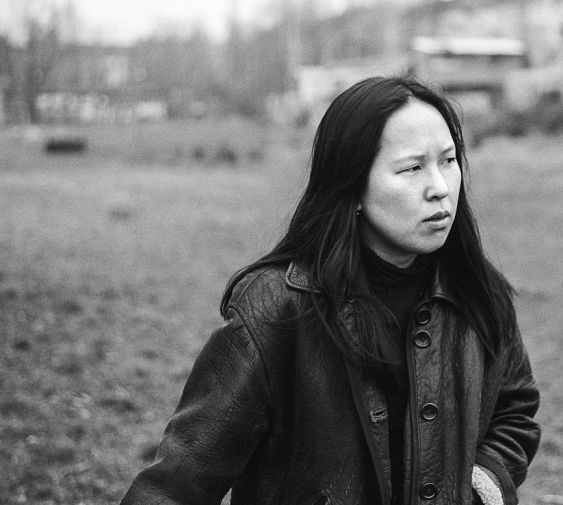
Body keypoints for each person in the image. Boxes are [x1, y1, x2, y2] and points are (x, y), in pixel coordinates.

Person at [120, 75, 540, 505]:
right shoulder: (276, 309)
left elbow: (515, 412)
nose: (440, 187)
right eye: (412, 168)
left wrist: (479, 487)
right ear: (352, 185)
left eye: (448, 161)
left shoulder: (476, 292)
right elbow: (178, 482)